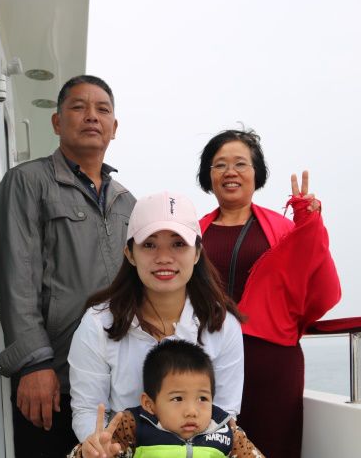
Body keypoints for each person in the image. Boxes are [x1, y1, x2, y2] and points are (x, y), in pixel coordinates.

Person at [0, 75, 136, 457]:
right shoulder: (27, 181)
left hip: (114, 383)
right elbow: (16, 277)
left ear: (114, 127)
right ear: (57, 122)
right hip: (53, 380)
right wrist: (34, 364)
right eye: (78, 107)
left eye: (102, 109)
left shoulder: (127, 202)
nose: (92, 116)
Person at [197, 129, 342, 458]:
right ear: (208, 175)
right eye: (220, 165)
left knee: (273, 447)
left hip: (271, 361)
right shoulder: (192, 231)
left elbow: (320, 286)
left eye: (240, 163)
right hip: (204, 362)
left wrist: (308, 224)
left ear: (256, 173)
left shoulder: (282, 229)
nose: (230, 172)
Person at [68, 191, 245, 446]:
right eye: (149, 245)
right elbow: (87, 410)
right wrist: (100, 445)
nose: (164, 258)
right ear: (130, 253)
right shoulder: (97, 323)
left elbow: (224, 414)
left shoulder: (223, 325)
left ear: (197, 253)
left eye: (178, 244)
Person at [69, 340, 264, 458]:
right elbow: (96, 452)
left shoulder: (225, 430)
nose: (192, 411)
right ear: (149, 404)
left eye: (202, 398)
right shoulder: (134, 426)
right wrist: (88, 454)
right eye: (178, 398)